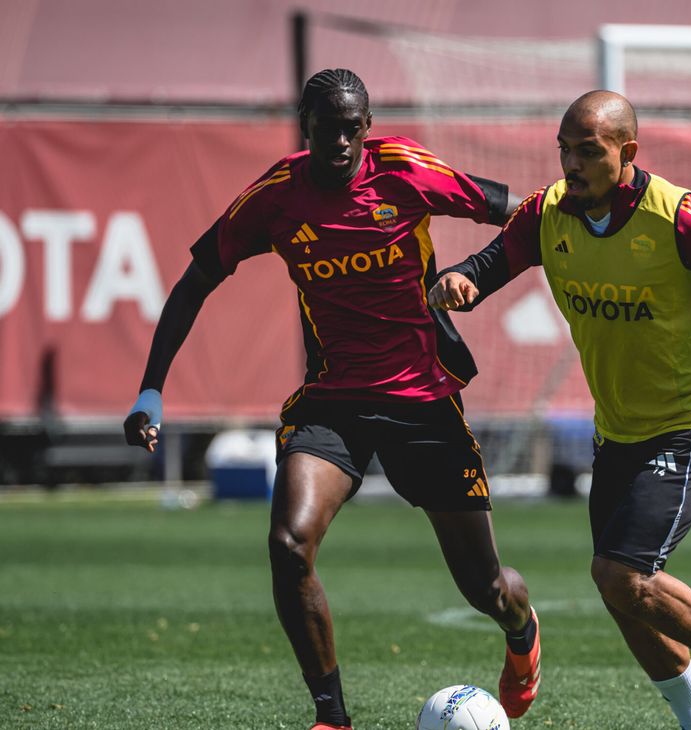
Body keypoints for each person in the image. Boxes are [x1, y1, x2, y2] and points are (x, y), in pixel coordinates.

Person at [123, 69, 541, 730]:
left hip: (422, 401)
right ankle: (331, 717)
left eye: (352, 128)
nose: (340, 142)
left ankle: (523, 634)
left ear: (367, 126)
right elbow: (196, 279)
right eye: (327, 128)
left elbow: (526, 215)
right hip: (332, 402)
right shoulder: (276, 197)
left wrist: (473, 275)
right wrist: (152, 388)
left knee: (486, 588)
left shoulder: (403, 172)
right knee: (289, 545)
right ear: (305, 126)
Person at [428, 90, 691, 730]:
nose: (572, 164)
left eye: (588, 151)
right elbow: (489, 264)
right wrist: (462, 279)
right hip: (617, 432)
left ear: (628, 153)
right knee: (620, 592)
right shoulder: (547, 213)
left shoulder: (677, 217)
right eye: (564, 150)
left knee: (623, 575)